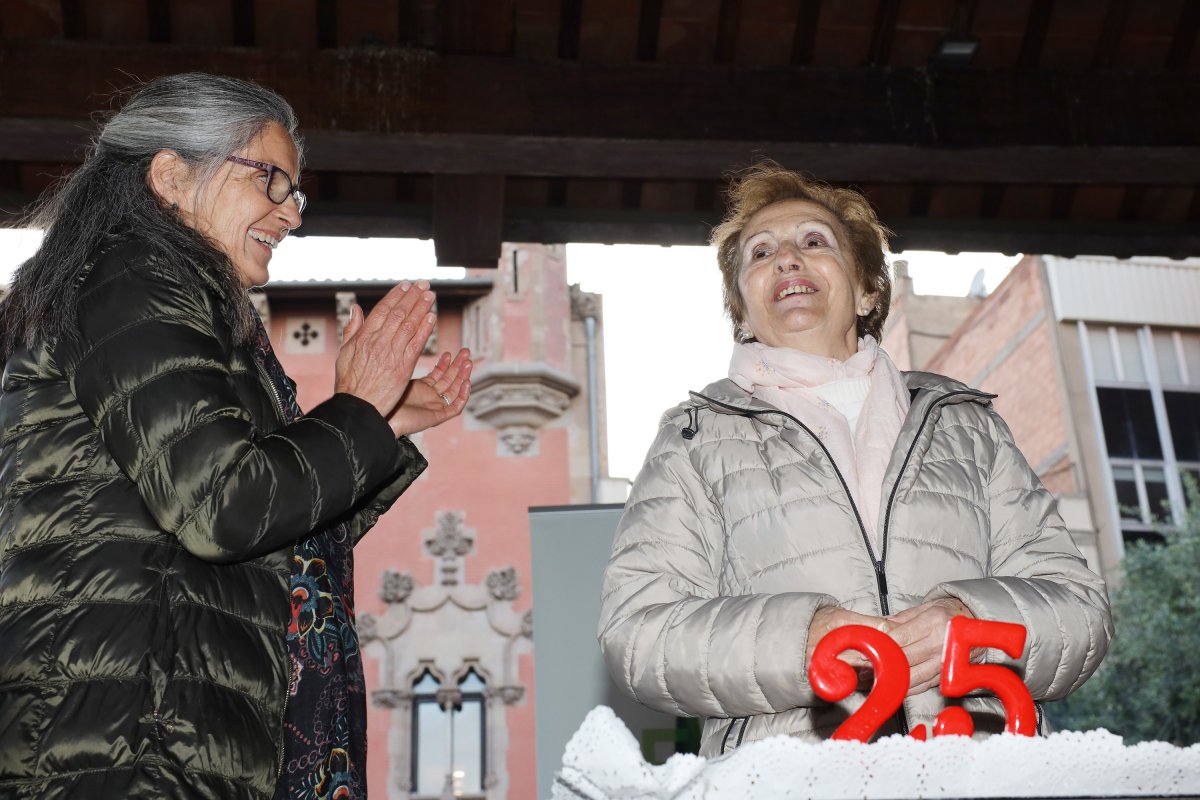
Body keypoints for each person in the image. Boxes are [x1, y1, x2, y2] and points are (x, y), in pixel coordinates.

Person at [0, 73, 471, 799]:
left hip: (155, 728)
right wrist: (355, 411)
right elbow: (225, 506)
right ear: (171, 176)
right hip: (132, 741)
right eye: (271, 181)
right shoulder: (135, 278)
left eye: (296, 193)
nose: (291, 216)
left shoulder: (171, 298)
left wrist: (380, 423)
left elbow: (268, 530)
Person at [597, 163, 1112, 756]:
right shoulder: (691, 441)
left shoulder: (969, 426)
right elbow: (636, 634)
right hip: (787, 781)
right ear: (741, 311)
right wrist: (800, 640)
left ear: (868, 287)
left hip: (979, 767)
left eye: (814, 242)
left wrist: (970, 623)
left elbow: (1082, 611)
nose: (787, 259)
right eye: (760, 254)